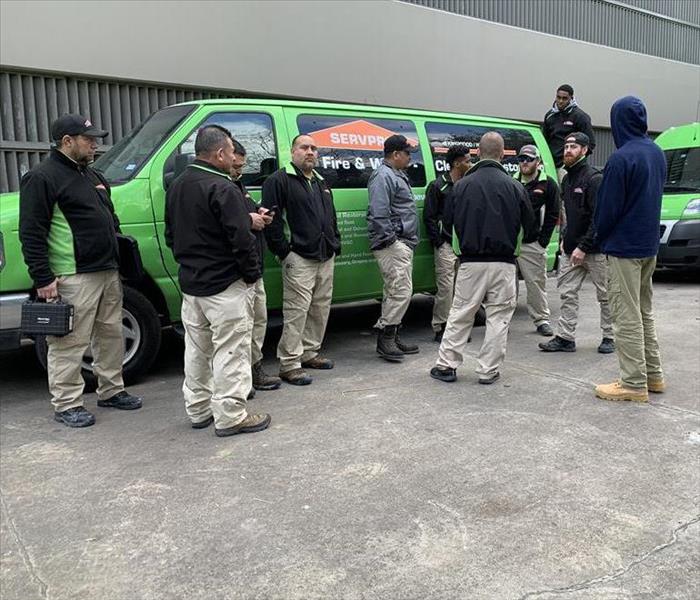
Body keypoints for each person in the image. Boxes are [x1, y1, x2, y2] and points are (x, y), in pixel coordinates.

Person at [18, 114, 143, 428]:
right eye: (89, 140)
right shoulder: (42, 177)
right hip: (73, 275)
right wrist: (43, 277)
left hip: (107, 271)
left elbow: (109, 220)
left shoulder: (91, 175)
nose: (95, 145)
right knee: (69, 343)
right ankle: (67, 404)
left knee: (110, 334)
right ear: (67, 141)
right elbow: (31, 232)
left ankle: (111, 390)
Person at [165, 125, 270, 437]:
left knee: (197, 350)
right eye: (231, 152)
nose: (233, 158)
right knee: (231, 351)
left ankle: (198, 409)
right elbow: (241, 239)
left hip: (192, 284)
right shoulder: (222, 187)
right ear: (221, 153)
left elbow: (172, 235)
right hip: (225, 286)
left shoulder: (179, 184)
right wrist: (251, 275)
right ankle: (230, 415)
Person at [430, 132, 534, 385]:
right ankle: (488, 370)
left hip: (469, 261)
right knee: (499, 318)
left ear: (477, 153)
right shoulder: (516, 186)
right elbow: (529, 227)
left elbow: (450, 224)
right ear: (501, 155)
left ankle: (446, 365)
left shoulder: (462, 185)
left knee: (461, 313)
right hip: (505, 263)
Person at [593, 97, 667, 403]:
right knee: (643, 312)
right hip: (648, 244)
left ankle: (633, 382)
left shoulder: (621, 158)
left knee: (625, 315)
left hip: (624, 247)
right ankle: (653, 375)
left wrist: (599, 236)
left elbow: (608, 209)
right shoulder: (657, 152)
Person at [261, 134, 341, 386]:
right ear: (293, 151)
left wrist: (335, 242)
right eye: (304, 147)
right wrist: (284, 252)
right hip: (299, 257)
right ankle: (289, 363)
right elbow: (271, 222)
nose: (310, 152)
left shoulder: (320, 182)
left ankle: (309, 352)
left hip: (325, 254)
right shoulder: (278, 180)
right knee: (296, 311)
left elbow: (331, 217)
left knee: (320, 307)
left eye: (314, 149)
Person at [539, 132, 614, 355]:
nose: (568, 150)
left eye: (574, 146)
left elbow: (599, 218)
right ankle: (565, 337)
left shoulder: (594, 178)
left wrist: (583, 246)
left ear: (584, 150)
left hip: (596, 250)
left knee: (606, 295)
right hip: (571, 250)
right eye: (566, 146)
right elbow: (566, 215)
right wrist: (564, 240)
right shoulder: (567, 178)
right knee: (567, 293)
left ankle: (609, 336)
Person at [230, 140, 281, 392]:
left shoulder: (238, 185)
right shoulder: (219, 186)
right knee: (240, 328)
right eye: (236, 166)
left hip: (255, 266)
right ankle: (241, 379)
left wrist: (259, 213)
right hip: (237, 272)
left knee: (258, 321)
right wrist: (247, 220)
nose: (240, 170)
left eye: (242, 166)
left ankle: (255, 367)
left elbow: (248, 211)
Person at [367, 134, 421, 362]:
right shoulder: (383, 176)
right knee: (400, 291)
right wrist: (392, 241)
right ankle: (385, 338)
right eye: (407, 153)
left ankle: (393, 334)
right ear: (396, 154)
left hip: (401, 242)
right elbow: (379, 213)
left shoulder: (396, 174)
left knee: (394, 291)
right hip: (392, 244)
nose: (410, 157)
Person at [423, 144, 472, 342]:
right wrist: (439, 242)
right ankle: (441, 326)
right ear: (457, 163)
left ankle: (458, 326)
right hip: (445, 245)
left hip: (465, 246)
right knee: (445, 288)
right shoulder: (438, 186)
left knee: (463, 288)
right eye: (468, 160)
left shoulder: (468, 184)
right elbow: (429, 217)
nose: (470, 163)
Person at [514, 144, 560, 337]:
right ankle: (502, 320)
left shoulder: (548, 184)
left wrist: (542, 241)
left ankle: (541, 320)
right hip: (509, 244)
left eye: (529, 159)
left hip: (532, 244)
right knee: (506, 287)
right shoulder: (512, 182)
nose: (524, 162)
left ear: (538, 162)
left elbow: (553, 214)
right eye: (521, 159)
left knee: (536, 284)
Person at [542, 84, 596, 181]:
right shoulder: (549, 116)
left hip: (568, 168)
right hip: (549, 166)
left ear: (571, 98)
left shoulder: (580, 117)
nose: (561, 101)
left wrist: (575, 162)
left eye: (564, 98)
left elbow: (591, 143)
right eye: (558, 97)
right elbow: (543, 141)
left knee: (566, 195)